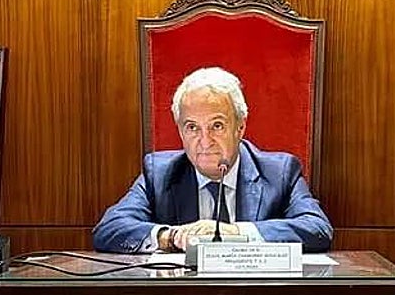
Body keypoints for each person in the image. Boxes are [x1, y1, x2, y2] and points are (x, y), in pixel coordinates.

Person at [93, 66, 334, 253]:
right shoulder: (160, 173)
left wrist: (235, 232)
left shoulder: (279, 172)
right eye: (192, 127)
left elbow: (317, 229)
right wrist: (172, 236)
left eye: (217, 126)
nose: (205, 141)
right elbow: (109, 229)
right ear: (180, 131)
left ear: (240, 127)